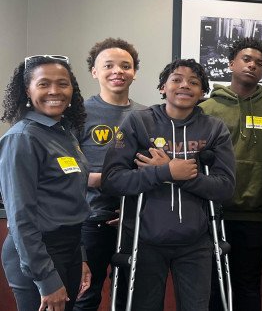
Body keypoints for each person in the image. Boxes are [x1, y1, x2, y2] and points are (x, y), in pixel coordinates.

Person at [101, 59, 235, 310]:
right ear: (163, 87)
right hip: (144, 240)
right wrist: (165, 171)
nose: (185, 85)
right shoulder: (138, 123)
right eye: (176, 79)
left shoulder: (215, 129)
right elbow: (112, 180)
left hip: (196, 242)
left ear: (203, 93)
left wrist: (183, 175)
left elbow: (225, 187)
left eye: (194, 82)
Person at [199, 37, 262, 311]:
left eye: (260, 64)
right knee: (214, 283)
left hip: (256, 213)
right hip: (212, 213)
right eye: (246, 59)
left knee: (248, 283)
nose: (252, 65)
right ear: (231, 63)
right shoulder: (206, 110)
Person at [1, 55, 91, 311]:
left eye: (63, 83)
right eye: (43, 84)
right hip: (38, 252)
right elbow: (20, 219)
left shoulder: (63, 133)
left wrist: (80, 255)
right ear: (27, 91)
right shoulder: (22, 138)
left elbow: (72, 200)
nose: (55, 91)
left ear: (72, 89)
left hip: (69, 247)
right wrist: (46, 278)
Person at [74, 38, 145, 311]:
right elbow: (65, 167)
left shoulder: (145, 114)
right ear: (94, 71)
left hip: (132, 222)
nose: (118, 71)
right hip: (90, 219)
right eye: (109, 65)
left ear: (134, 72)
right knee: (85, 295)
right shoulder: (78, 114)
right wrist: (102, 179)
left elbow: (150, 167)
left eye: (126, 66)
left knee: (130, 296)